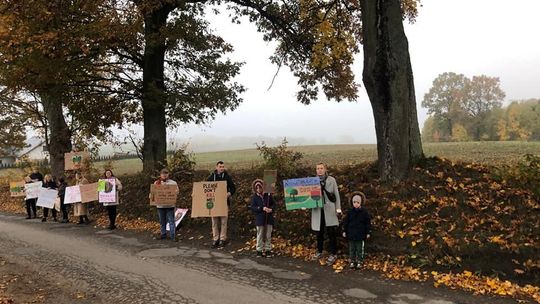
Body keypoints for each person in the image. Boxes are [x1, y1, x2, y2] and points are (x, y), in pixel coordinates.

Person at [311, 163, 341, 266]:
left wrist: (338, 208)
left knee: (331, 232)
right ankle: (319, 251)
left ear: (325, 169)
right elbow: (308, 195)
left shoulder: (331, 180)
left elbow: (336, 194)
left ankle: (333, 253)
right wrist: (305, 204)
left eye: (321, 168)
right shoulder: (312, 181)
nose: (319, 170)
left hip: (329, 210)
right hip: (318, 210)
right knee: (319, 233)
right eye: (317, 168)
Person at [206, 161, 236, 248]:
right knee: (214, 222)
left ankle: (222, 239)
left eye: (223, 166)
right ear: (216, 167)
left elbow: (233, 188)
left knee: (223, 221)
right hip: (214, 203)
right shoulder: (212, 176)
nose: (222, 168)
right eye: (220, 166)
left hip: (224, 203)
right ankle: (215, 239)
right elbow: (205, 187)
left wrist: (229, 193)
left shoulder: (227, 177)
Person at [342, 192, 371, 269]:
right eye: (354, 202)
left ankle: (359, 261)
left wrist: (368, 232)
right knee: (352, 249)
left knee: (359, 249)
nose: (356, 204)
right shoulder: (350, 212)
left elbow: (367, 223)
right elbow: (346, 222)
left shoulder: (364, 212)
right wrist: (345, 231)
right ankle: (352, 260)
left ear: (360, 203)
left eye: (358, 202)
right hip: (351, 233)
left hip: (360, 234)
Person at [150, 168, 179, 241]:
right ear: (160, 175)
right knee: (162, 221)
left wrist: (172, 192)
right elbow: (152, 193)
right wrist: (151, 196)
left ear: (168, 174)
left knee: (171, 221)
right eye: (163, 174)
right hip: (160, 205)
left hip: (170, 205)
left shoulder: (173, 183)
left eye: (166, 173)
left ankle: (173, 236)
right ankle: (163, 234)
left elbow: (177, 192)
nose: (164, 175)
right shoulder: (156, 183)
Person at [250, 179, 275, 258]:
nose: (258, 189)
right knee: (260, 234)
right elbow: (253, 207)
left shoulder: (268, 195)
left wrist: (271, 209)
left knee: (268, 234)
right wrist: (261, 208)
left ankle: (268, 249)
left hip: (268, 218)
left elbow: (273, 204)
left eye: (260, 187)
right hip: (260, 218)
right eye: (256, 188)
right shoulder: (254, 197)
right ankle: (259, 250)